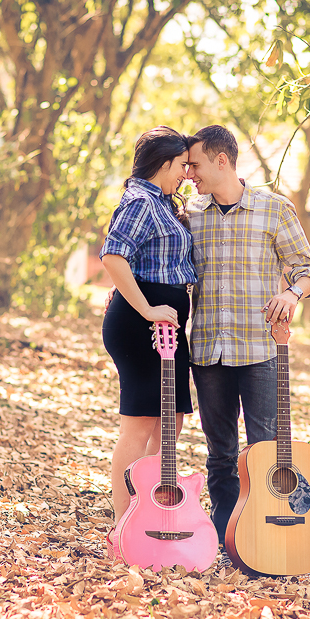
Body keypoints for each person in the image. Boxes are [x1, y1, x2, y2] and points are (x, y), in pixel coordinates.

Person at [184, 125, 310, 547]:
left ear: (221, 161)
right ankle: (231, 538)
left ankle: (269, 537)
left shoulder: (274, 209)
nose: (190, 172)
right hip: (207, 349)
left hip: (260, 349)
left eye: (195, 163)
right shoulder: (190, 213)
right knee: (221, 454)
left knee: (265, 450)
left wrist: (292, 291)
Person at [99, 126, 196, 539]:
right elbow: (113, 255)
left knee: (170, 423)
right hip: (143, 325)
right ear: (163, 162)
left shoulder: (163, 202)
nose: (186, 173)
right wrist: (146, 307)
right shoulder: (140, 200)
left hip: (166, 325)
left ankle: (152, 507)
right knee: (139, 425)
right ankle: (125, 523)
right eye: (181, 165)